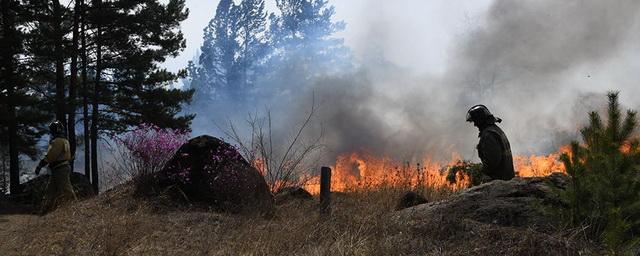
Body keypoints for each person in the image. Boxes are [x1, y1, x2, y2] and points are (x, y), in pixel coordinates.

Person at [34, 121, 77, 213]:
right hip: (60, 168)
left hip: (60, 169)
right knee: (50, 190)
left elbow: (51, 156)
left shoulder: (57, 141)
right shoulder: (65, 140)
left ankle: (75, 207)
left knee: (66, 189)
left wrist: (40, 165)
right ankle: (45, 210)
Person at [466, 105, 515, 180]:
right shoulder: (495, 130)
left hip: (499, 181)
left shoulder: (489, 135)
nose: (475, 125)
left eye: (475, 121)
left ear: (480, 120)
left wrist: (479, 171)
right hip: (506, 177)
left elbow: (492, 163)